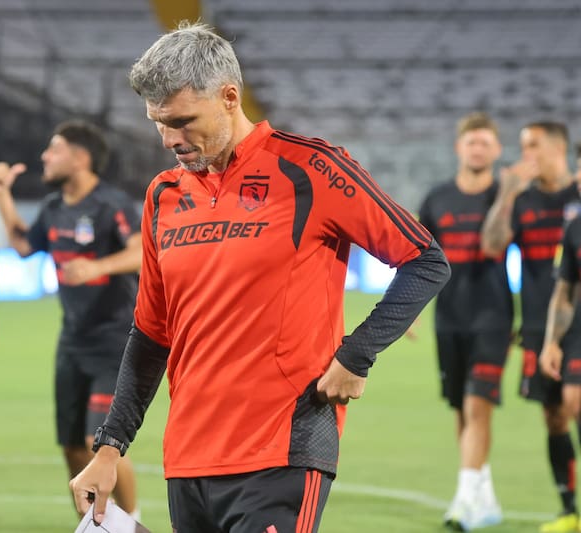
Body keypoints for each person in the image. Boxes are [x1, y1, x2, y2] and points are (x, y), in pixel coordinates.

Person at [68, 21, 450, 532]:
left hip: (283, 447)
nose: (169, 139)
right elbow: (151, 335)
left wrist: (356, 355)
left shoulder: (312, 169)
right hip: (189, 459)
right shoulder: (163, 195)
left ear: (230, 97)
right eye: (158, 122)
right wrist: (110, 447)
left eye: (182, 120)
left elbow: (425, 259)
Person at [0, 119, 143, 519]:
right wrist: (2, 195)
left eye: (53, 149)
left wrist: (96, 267)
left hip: (114, 343)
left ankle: (132, 522)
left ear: (80, 157)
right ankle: (97, 526)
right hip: (72, 343)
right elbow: (22, 245)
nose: (44, 157)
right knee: (73, 447)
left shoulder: (111, 204)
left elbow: (141, 252)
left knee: (99, 441)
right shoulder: (54, 209)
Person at [481, 121, 581, 533]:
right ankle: (569, 511)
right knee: (555, 417)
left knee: (577, 406)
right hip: (542, 326)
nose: (526, 156)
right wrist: (506, 191)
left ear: (558, 148)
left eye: (533, 146)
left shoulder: (578, 194)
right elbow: (491, 245)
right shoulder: (521, 201)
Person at [418, 112, 511, 530]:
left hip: (493, 316)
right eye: (471, 142)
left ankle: (462, 502)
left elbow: (500, 247)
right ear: (459, 147)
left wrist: (508, 193)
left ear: (496, 150)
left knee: (478, 405)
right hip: (449, 318)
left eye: (485, 142)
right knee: (461, 407)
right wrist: (407, 310)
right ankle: (483, 496)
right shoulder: (437, 198)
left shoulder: (507, 196)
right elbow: (416, 255)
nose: (478, 149)